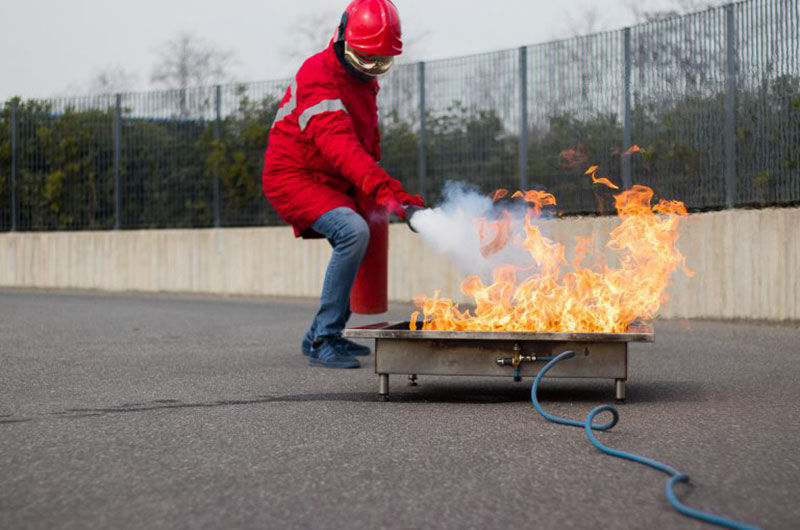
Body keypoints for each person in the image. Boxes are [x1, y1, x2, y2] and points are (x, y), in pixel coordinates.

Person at [262, 0, 424, 369]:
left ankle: (320, 332)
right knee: (353, 231)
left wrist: (404, 200)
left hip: (332, 179)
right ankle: (324, 339)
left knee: (364, 228)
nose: (372, 69)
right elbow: (343, 149)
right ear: (342, 38)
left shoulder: (363, 83)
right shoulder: (318, 75)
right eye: (365, 59)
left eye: (381, 62)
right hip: (293, 177)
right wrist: (391, 197)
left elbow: (367, 149)